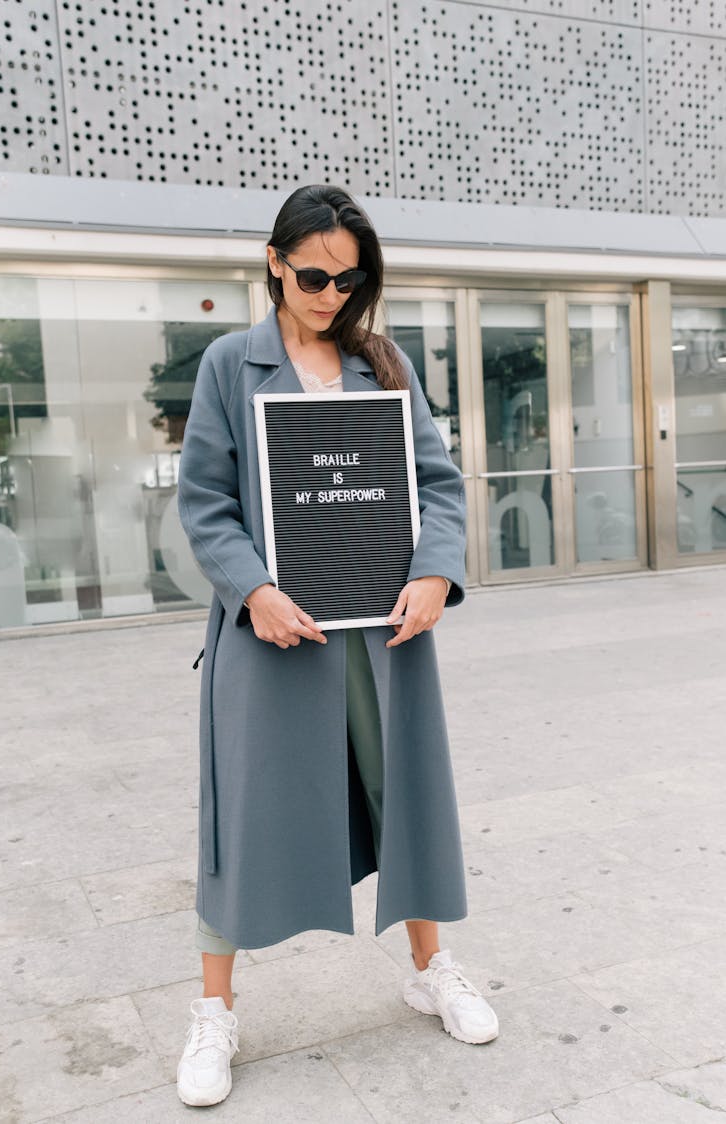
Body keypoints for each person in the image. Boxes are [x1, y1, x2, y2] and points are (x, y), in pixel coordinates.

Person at [175, 184, 498, 1107]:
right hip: (275, 632)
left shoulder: (384, 360)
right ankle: (213, 1010)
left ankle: (432, 967)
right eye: (313, 274)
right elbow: (205, 503)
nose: (330, 293)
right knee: (240, 814)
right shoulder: (230, 365)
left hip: (383, 632)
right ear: (274, 260)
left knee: (407, 795)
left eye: (349, 278)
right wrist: (254, 591)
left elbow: (437, 485)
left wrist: (437, 571)